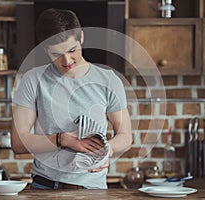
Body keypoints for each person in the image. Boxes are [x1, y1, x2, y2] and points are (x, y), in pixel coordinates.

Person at [11, 8, 132, 189]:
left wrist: (109, 150)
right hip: (44, 188)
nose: (66, 60)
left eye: (72, 50)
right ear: (45, 49)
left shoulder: (108, 80)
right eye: (56, 54)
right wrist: (63, 140)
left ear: (81, 37)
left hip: (92, 190)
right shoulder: (33, 79)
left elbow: (125, 136)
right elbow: (18, 143)